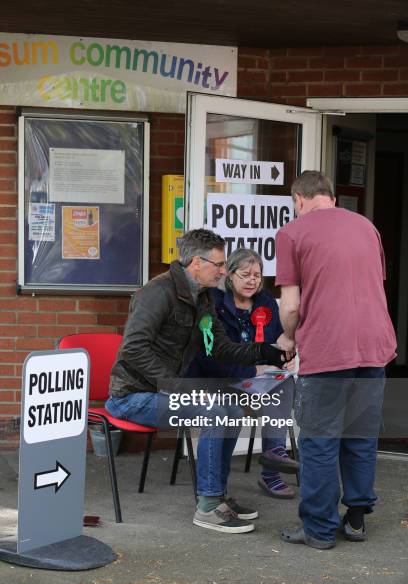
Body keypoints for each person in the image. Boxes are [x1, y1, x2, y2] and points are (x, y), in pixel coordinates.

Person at [106, 228, 292, 534]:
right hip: (133, 396)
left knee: (232, 411)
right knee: (214, 411)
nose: (222, 271)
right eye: (219, 265)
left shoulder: (203, 297)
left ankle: (217, 497)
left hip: (163, 392)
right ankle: (206, 506)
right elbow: (133, 348)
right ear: (196, 262)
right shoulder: (158, 292)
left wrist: (266, 352)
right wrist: (175, 386)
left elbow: (219, 347)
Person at [275, 170, 397, 549]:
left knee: (319, 440)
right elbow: (372, 285)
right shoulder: (367, 227)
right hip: (374, 346)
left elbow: (291, 306)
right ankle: (356, 518)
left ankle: (319, 528)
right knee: (359, 435)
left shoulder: (292, 233)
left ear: (298, 199)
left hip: (329, 349)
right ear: (330, 195)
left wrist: (289, 337)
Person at [189, 248, 299, 499]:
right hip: (216, 380)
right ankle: (217, 487)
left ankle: (273, 462)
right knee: (234, 406)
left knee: (283, 384)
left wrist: (284, 358)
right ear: (229, 275)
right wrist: (254, 369)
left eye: (258, 275)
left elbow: (276, 343)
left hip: (254, 380)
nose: (252, 280)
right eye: (246, 274)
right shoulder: (212, 302)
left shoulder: (266, 302)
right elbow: (210, 357)